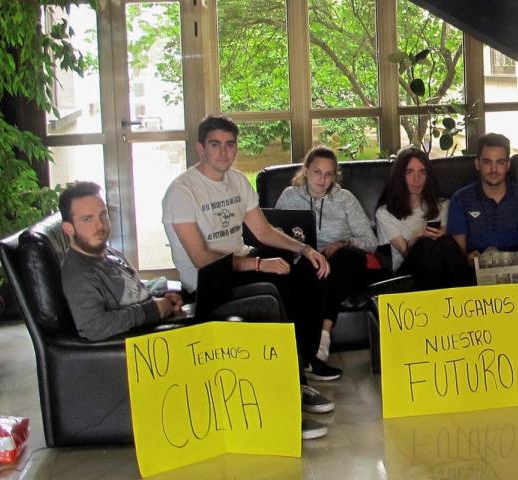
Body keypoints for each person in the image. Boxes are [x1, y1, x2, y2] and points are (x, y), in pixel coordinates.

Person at [62, 182, 328, 440]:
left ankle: (293, 387)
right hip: (157, 338)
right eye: (87, 219)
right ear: (68, 228)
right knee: (263, 305)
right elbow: (94, 327)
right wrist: (154, 309)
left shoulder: (106, 253)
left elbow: (133, 292)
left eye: (102, 215)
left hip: (165, 317)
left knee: (268, 291)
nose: (100, 225)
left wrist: (162, 297)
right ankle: (282, 411)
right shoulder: (79, 273)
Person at [161, 115, 334, 439]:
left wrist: (305, 249)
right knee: (272, 289)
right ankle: (284, 406)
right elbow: (201, 259)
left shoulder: (237, 181)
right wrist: (258, 266)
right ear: (201, 148)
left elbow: (263, 231)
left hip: (240, 263)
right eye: (215, 144)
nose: (224, 152)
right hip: (206, 283)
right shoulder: (182, 192)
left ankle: (300, 373)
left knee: (309, 273)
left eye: (230, 144)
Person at [275, 145, 379, 379]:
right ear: (306, 171)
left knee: (346, 258)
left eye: (329, 174)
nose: (323, 180)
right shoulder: (289, 196)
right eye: (317, 172)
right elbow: (275, 235)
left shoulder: (345, 199)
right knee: (313, 268)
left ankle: (323, 334)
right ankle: (312, 352)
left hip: (343, 265)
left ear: (335, 175)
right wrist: (305, 252)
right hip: (304, 262)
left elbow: (370, 242)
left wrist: (342, 243)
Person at [447, 133, 518, 281]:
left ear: (508, 165)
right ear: (477, 164)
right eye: (487, 162)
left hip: (517, 267)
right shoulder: (460, 199)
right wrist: (469, 258)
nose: (494, 169)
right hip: (476, 269)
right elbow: (460, 251)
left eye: (500, 162)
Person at [375, 148, 471, 289]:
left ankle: (463, 301)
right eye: (410, 172)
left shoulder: (442, 206)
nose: (417, 178)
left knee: (445, 241)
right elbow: (405, 253)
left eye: (422, 172)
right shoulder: (384, 213)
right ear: (400, 176)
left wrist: (442, 235)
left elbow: (447, 249)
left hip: (442, 268)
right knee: (424, 244)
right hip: (406, 274)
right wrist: (417, 237)